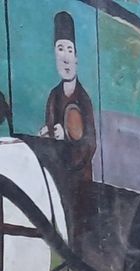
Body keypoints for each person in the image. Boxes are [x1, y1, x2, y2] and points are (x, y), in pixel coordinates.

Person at [40, 11, 96, 184]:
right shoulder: (53, 96)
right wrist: (45, 137)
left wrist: (65, 138)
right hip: (57, 179)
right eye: (60, 49)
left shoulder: (84, 99)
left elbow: (90, 144)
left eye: (69, 50)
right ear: (55, 55)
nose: (65, 58)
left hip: (80, 182)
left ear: (76, 58)